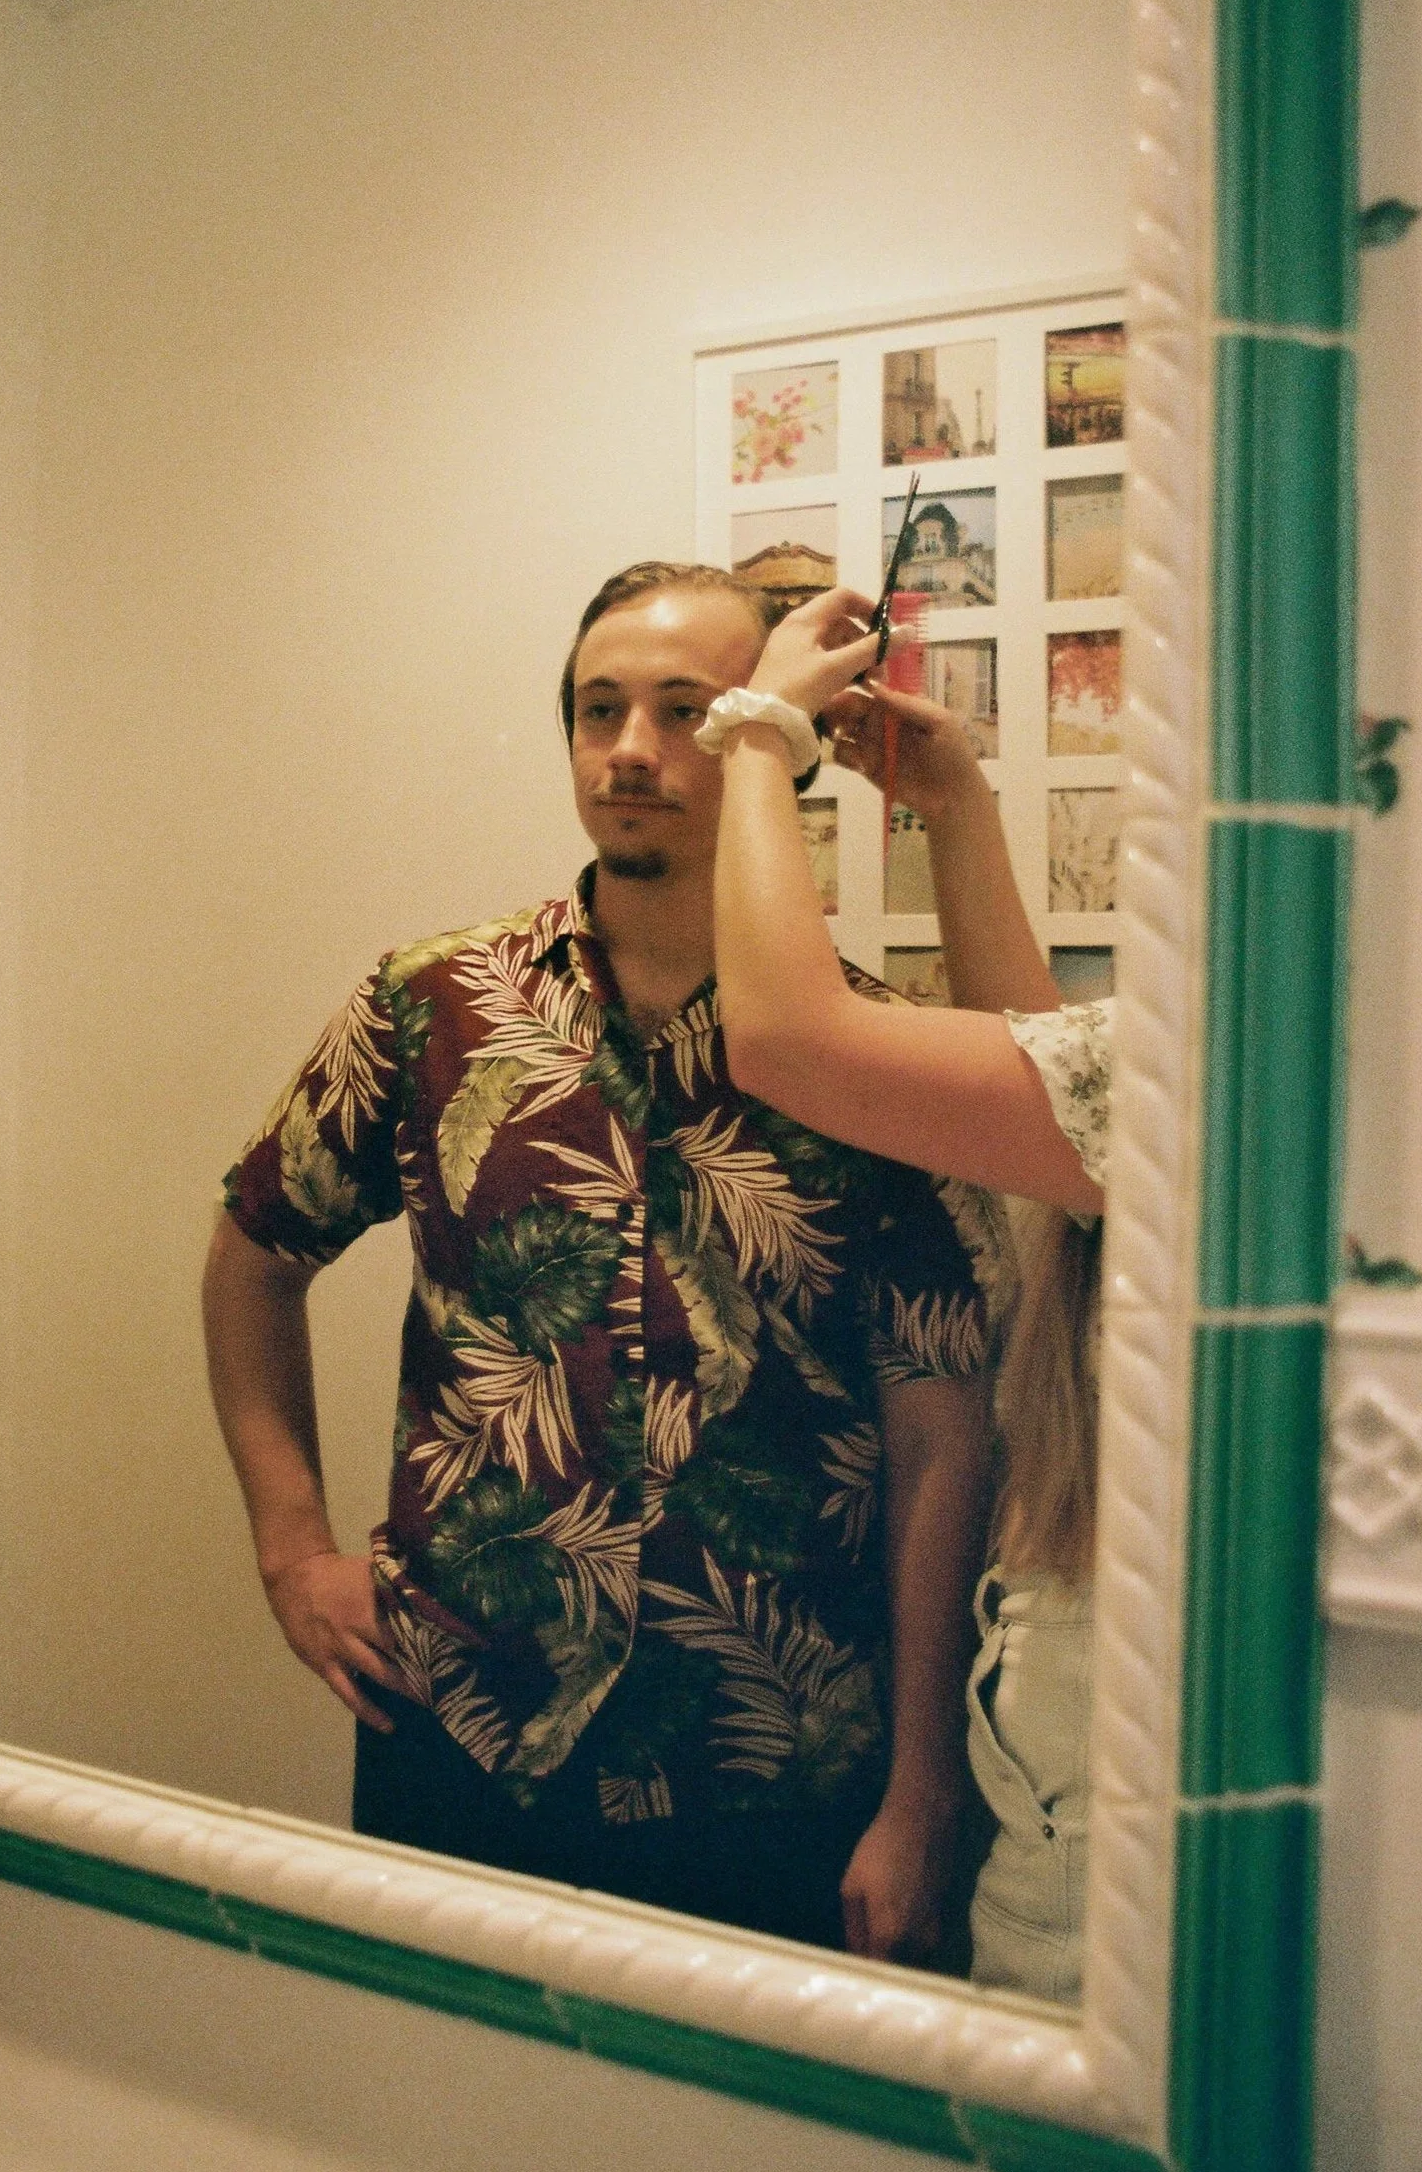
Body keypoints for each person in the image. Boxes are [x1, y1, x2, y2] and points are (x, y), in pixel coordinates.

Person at [203, 561, 1011, 1962]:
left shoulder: (868, 1058)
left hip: (777, 1779)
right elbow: (253, 1252)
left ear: (774, 742)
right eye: (600, 710)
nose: (633, 749)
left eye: (689, 712)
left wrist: (926, 1783)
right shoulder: (433, 1006)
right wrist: (290, 1549)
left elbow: (942, 1435)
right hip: (463, 1738)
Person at [710, 585, 1110, 2003]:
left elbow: (783, 1038)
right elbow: (1056, 1070)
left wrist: (757, 733)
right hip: (1060, 1766)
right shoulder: (1162, 1074)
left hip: (1091, 1800)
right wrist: (957, 808)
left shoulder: (1205, 1067)